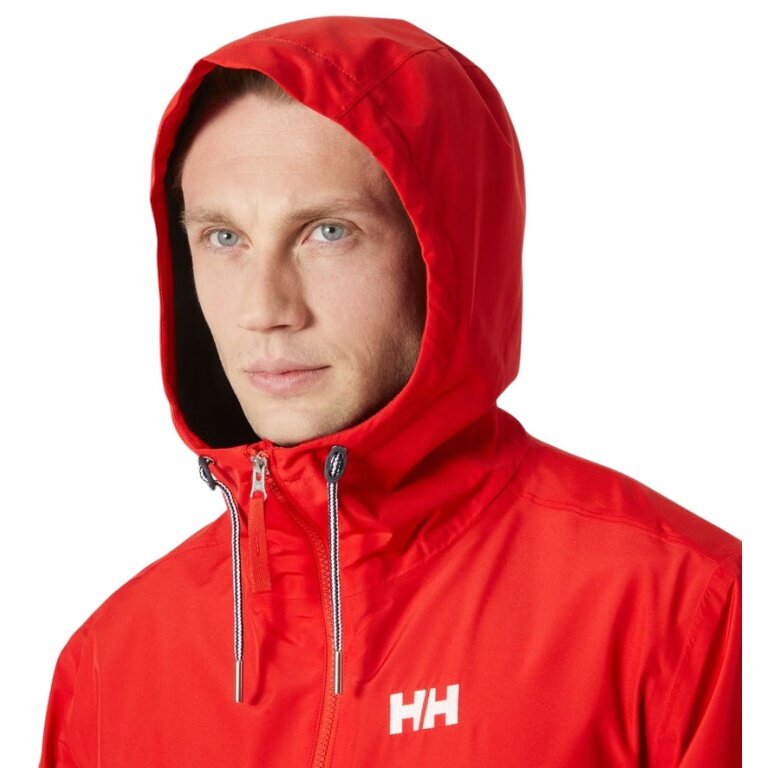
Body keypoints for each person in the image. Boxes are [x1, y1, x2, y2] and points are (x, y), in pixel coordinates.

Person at [39, 15, 741, 767]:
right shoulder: (110, 667)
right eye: (224, 237)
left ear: (449, 255)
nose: (264, 309)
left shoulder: (683, 609)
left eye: (327, 232)